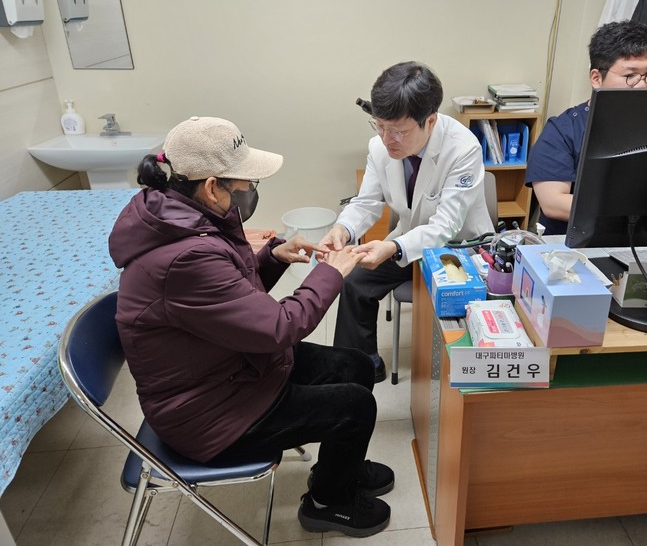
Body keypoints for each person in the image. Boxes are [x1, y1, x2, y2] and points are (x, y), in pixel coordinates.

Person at [108, 116, 393, 538]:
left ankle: (340, 471)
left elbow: (229, 299)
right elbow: (279, 326)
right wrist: (331, 272)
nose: (250, 191)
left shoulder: (184, 216)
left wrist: (273, 257)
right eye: (246, 183)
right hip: (207, 414)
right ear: (211, 186)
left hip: (228, 368)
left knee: (356, 366)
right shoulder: (183, 256)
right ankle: (329, 503)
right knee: (355, 407)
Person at [320, 61, 493, 382]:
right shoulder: (379, 146)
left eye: (398, 131)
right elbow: (367, 202)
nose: (388, 139)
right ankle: (362, 365)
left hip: (460, 248)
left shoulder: (463, 149)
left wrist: (393, 247)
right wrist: (344, 229)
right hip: (408, 240)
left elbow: (445, 227)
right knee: (354, 281)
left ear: (430, 121)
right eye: (380, 126)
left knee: (452, 311)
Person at [526, 20, 647, 235]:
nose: (643, 84)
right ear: (596, 78)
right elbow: (554, 203)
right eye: (630, 76)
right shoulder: (562, 131)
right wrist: (632, 210)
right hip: (579, 245)